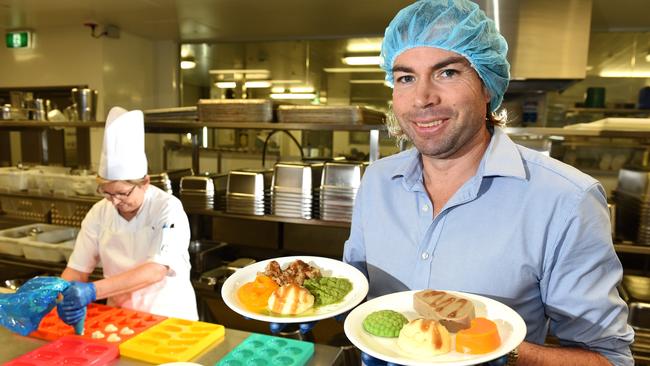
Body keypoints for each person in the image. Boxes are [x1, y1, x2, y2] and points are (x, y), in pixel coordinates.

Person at [342, 0, 634, 365]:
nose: (422, 98)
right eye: (405, 77)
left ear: (487, 87)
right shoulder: (378, 181)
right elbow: (353, 294)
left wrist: (496, 351)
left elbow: (610, 359)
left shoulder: (565, 201)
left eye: (447, 73)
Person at [57, 107, 198, 326]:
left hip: (169, 318)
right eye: (107, 192)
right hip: (119, 318)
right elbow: (77, 269)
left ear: (145, 183)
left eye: (122, 193)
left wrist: (94, 291)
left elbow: (155, 270)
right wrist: (62, 297)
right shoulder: (99, 212)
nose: (114, 201)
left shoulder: (167, 209)